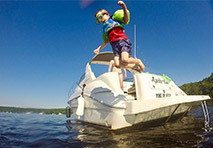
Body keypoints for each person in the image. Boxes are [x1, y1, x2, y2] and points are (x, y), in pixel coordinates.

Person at [93, 1, 145, 71]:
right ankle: (134, 66)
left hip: (122, 41)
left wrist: (124, 7)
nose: (101, 20)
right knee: (117, 64)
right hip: (114, 46)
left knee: (125, 60)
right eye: (99, 20)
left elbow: (126, 20)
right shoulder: (105, 29)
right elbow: (106, 41)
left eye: (101, 17)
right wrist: (98, 49)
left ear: (107, 14)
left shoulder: (114, 19)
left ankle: (138, 61)